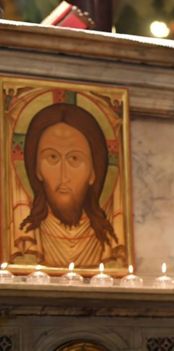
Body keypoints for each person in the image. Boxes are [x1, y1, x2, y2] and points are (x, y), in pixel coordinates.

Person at [14, 103, 124, 268]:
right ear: (36, 169)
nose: (63, 175)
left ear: (94, 173)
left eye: (74, 159)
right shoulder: (29, 239)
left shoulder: (108, 243)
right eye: (52, 157)